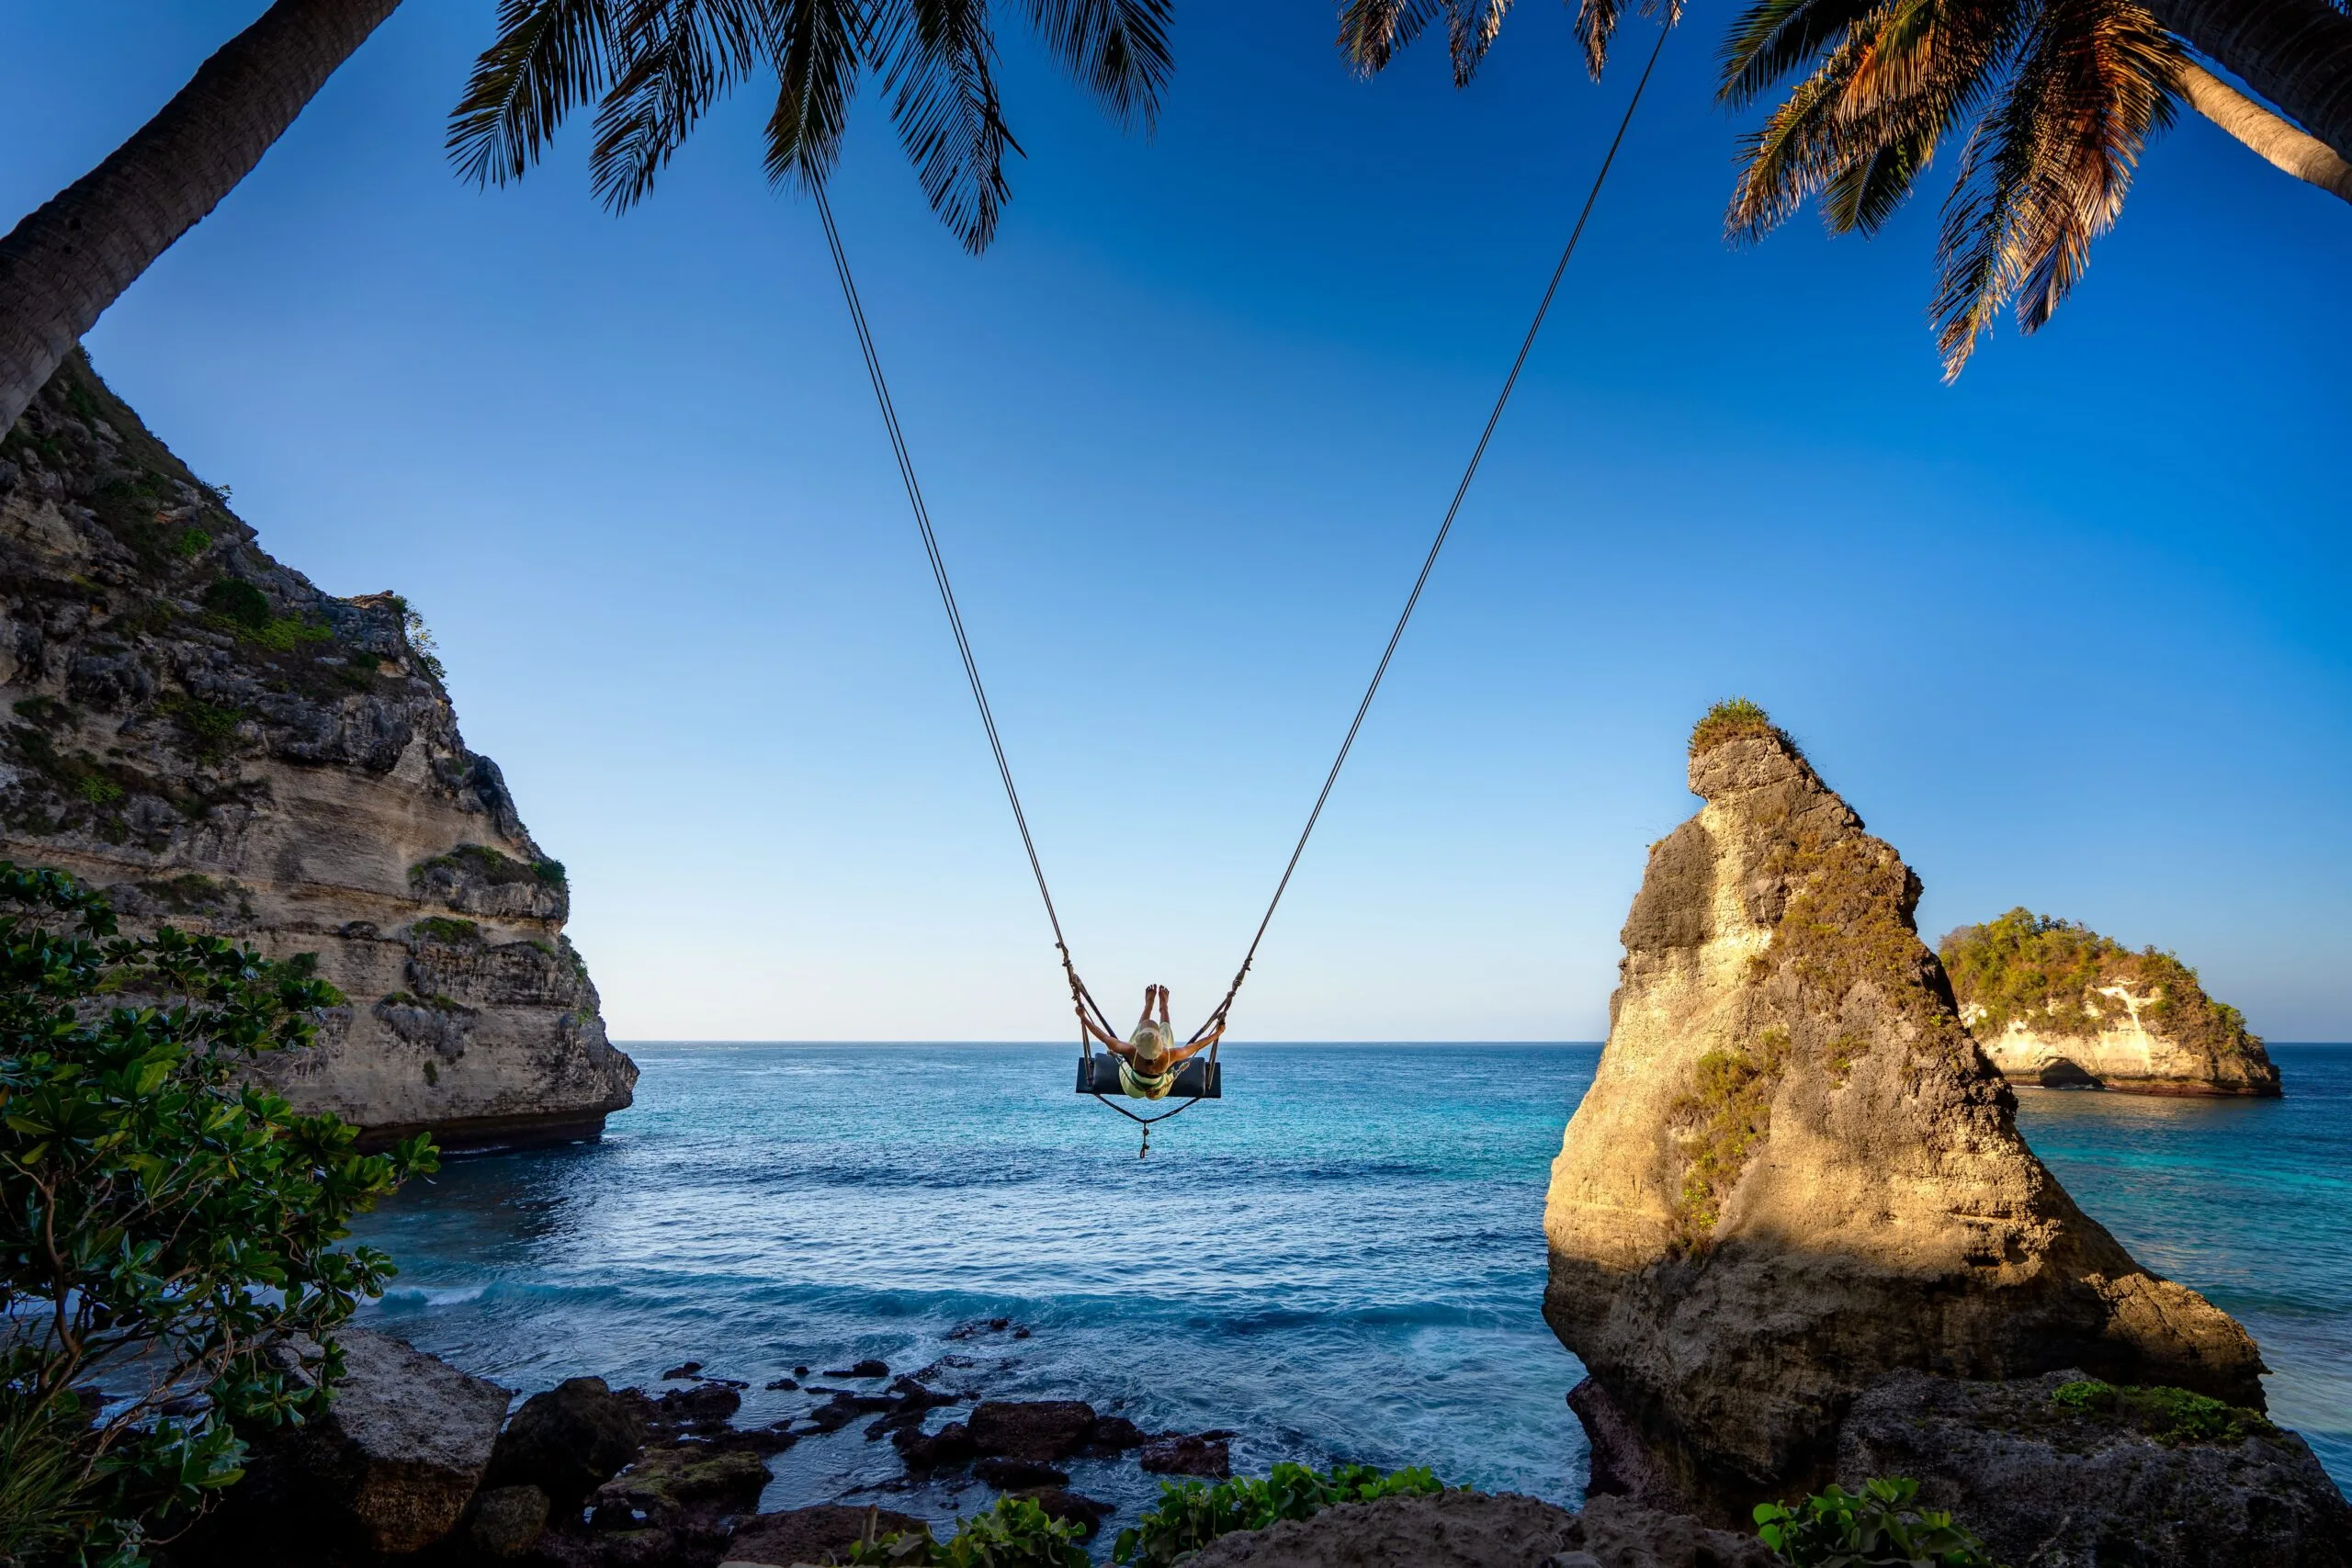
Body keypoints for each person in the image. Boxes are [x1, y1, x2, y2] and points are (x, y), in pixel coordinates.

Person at [1084, 985, 1219, 1100]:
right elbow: (1197, 1045)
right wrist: (1218, 1033)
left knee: (1133, 1047)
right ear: (1159, 1046)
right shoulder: (1169, 1055)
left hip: (1133, 1089)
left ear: (1138, 1047)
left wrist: (1083, 1018)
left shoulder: (1132, 1052)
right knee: (1166, 1032)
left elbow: (1104, 1037)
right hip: (1159, 1091)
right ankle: (1164, 1007)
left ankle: (1148, 1006)